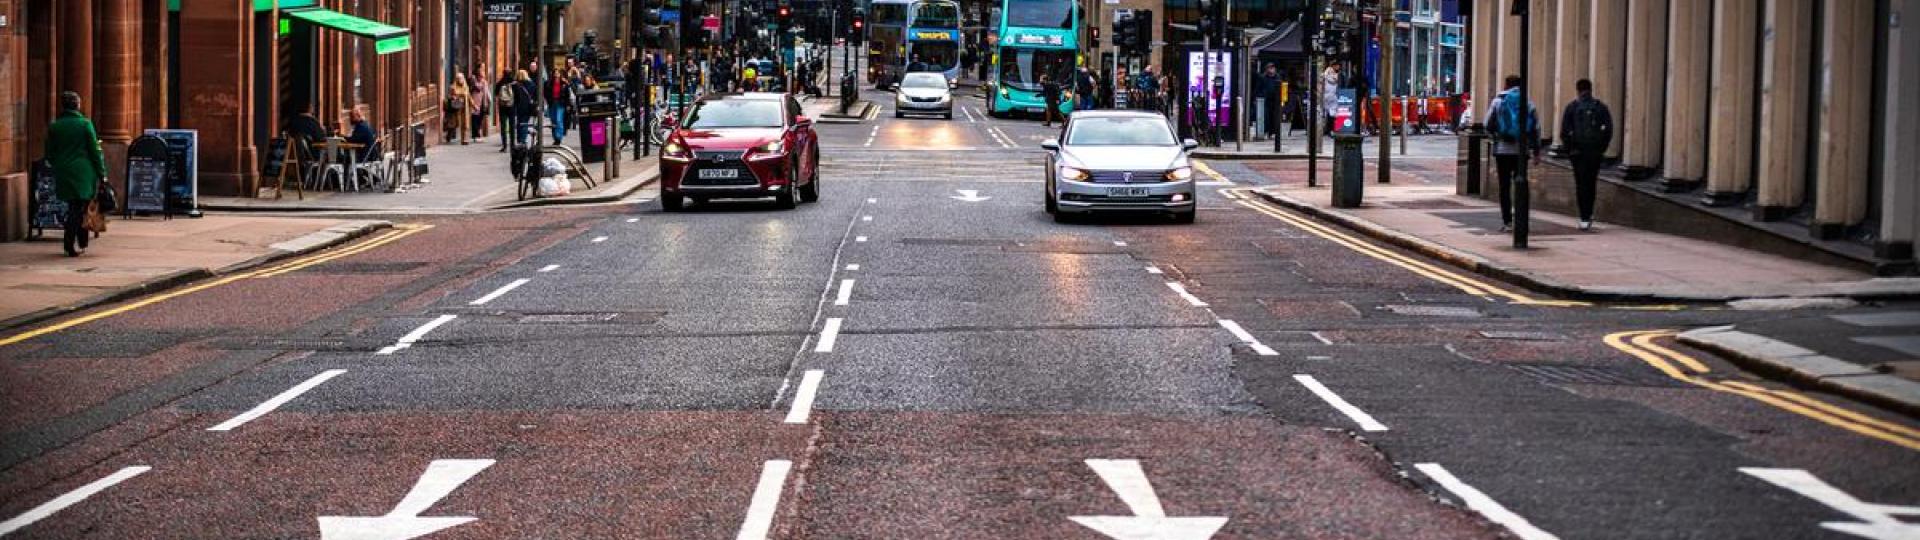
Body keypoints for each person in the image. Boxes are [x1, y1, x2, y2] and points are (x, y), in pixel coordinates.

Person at [45, 91, 106, 257]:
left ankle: (80, 242)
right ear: (77, 105)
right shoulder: (85, 124)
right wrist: (102, 173)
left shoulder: (55, 126)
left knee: (75, 206)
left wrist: (59, 164)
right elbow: (94, 151)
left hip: (64, 171)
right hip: (84, 171)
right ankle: (71, 244)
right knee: (79, 208)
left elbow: (49, 153)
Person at [1485, 75, 1540, 233]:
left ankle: (1507, 221)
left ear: (1506, 84)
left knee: (1504, 186)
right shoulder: (1528, 103)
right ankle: (1522, 219)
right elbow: (1536, 128)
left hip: (1502, 150)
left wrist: (1496, 136)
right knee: (1521, 184)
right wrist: (1536, 151)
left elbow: (1487, 125)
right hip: (1522, 152)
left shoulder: (1498, 101)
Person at [1558, 78, 1614, 231]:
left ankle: (1583, 216)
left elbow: (1564, 132)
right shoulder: (1600, 107)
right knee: (1591, 183)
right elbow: (1608, 130)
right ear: (1590, 89)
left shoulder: (1572, 107)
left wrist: (1570, 150)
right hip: (1594, 153)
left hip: (1578, 153)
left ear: (1577, 90)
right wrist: (1601, 149)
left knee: (1580, 184)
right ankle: (1589, 213)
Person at [545, 65, 574, 145]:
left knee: (559, 120)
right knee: (553, 121)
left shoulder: (564, 83)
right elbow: (546, 93)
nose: (556, 74)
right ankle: (555, 137)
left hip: (561, 103)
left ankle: (559, 137)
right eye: (555, 73)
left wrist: (568, 104)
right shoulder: (549, 83)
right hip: (552, 103)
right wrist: (548, 100)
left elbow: (568, 94)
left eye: (558, 73)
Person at [446, 72, 472, 144]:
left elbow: (469, 96)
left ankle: (464, 139)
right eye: (458, 78)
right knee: (454, 123)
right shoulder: (452, 87)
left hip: (464, 108)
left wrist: (474, 105)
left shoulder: (466, 87)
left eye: (461, 78)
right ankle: (449, 135)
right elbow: (448, 96)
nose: (460, 80)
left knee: (465, 124)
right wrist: (453, 97)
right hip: (456, 108)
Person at [1251, 64, 1275, 141]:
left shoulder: (1277, 77)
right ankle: (1265, 132)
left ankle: (1271, 133)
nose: (1271, 69)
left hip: (1274, 100)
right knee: (1265, 117)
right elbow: (1258, 88)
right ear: (1266, 69)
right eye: (1269, 68)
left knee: (1273, 117)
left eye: (1272, 68)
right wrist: (1255, 98)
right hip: (1264, 100)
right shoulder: (1262, 77)